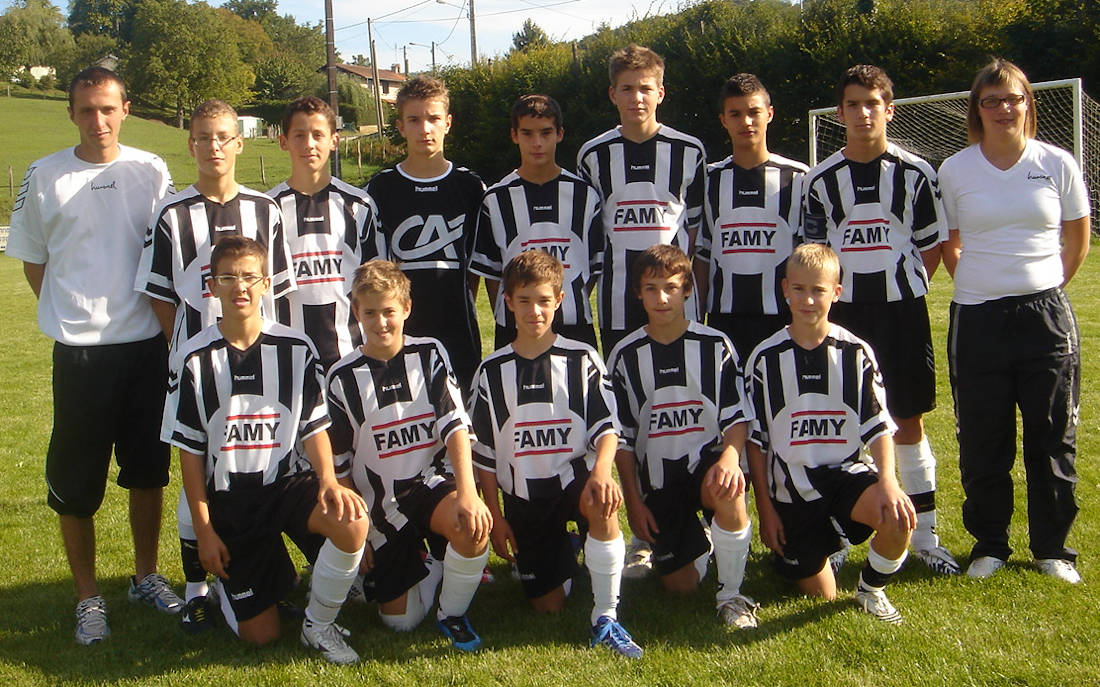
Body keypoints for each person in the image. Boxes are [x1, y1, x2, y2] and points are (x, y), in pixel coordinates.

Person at [6, 66, 181, 645]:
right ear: (71, 113)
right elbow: (34, 261)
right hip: (81, 356)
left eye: (108, 108)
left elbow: (165, 253)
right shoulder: (44, 174)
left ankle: (145, 576)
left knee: (148, 472)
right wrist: (73, 314)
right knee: (78, 484)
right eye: (86, 109)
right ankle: (87, 598)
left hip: (146, 348)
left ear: (125, 109)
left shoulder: (150, 170)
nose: (98, 120)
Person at [135, 98, 295, 632]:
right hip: (198, 365)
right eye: (203, 137)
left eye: (223, 136)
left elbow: (278, 290)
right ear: (191, 144)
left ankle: (260, 575)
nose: (214, 147)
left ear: (239, 143)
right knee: (197, 469)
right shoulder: (172, 213)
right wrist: (186, 348)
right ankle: (196, 589)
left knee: (254, 463)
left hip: (257, 360)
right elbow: (160, 294)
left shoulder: (266, 210)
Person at [171, 236, 368, 662]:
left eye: (249, 277)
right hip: (232, 501)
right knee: (261, 637)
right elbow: (190, 451)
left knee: (351, 520)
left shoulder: (296, 348)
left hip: (285, 485)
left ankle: (319, 624)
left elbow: (314, 425)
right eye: (228, 278)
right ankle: (240, 587)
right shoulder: (193, 358)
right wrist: (204, 531)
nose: (239, 286)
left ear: (266, 283)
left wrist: (328, 482)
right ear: (212, 286)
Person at [803, 65, 959, 575]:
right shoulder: (820, 180)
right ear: (839, 113)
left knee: (907, 419)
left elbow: (930, 248)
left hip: (901, 312)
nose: (863, 113)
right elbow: (816, 256)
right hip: (844, 316)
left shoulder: (916, 173)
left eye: (872, 103)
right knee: (846, 421)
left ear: (889, 110)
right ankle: (844, 535)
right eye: (853, 104)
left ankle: (926, 537)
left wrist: (901, 288)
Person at [939, 59, 1090, 583]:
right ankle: (990, 545)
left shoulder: (1057, 163)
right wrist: (984, 284)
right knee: (983, 439)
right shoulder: (954, 170)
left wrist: (1042, 284)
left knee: (1051, 437)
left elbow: (1077, 237)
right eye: (992, 100)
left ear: (1028, 103)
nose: (1004, 109)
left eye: (1013, 98)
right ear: (977, 110)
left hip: (1044, 316)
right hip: (977, 317)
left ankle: (1053, 549)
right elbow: (950, 242)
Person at [470, 250, 642, 658]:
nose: (535, 311)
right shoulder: (492, 372)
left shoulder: (581, 359)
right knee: (547, 606)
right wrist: (495, 515)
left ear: (559, 301)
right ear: (507, 302)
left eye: (544, 301)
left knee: (600, 499)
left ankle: (606, 615)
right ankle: (566, 547)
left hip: (574, 483)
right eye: (524, 300)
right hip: (525, 497)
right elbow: (485, 455)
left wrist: (602, 474)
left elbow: (608, 429)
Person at [577, 44, 707, 578]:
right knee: (633, 414)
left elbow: (698, 233)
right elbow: (589, 233)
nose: (636, 97)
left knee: (681, 406)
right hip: (618, 306)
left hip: (677, 307)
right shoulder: (593, 155)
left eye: (645, 88)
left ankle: (697, 516)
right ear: (612, 94)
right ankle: (642, 529)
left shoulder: (689, 151)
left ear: (661, 92)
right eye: (626, 88)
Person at [745, 243, 916, 623]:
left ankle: (871, 590)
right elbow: (756, 444)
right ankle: (822, 545)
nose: (808, 300)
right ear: (785, 289)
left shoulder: (856, 353)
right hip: (791, 493)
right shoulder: (765, 359)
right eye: (799, 289)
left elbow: (879, 427)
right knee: (822, 595)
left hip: (845, 476)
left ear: (836, 292)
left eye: (818, 290)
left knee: (898, 517)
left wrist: (888, 482)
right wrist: (765, 509)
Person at [326, 260, 492, 651]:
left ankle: (452, 614)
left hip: (431, 484)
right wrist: (360, 530)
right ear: (356, 312)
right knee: (399, 623)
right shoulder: (341, 377)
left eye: (389, 311)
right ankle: (432, 566)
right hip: (380, 505)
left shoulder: (429, 353)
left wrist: (468, 494)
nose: (381, 322)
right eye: (370, 312)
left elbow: (455, 426)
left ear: (406, 308)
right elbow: (340, 464)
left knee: (471, 525)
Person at [608, 245, 759, 629]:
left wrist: (730, 459)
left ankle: (731, 596)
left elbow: (737, 416)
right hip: (660, 482)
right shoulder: (625, 355)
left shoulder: (715, 345)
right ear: (638, 293)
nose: (662, 298)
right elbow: (622, 440)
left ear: (687, 289)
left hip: (708, 467)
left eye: (671, 288)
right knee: (681, 587)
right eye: (651, 288)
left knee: (728, 487)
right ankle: (704, 544)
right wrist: (634, 502)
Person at [365, 76, 484, 393]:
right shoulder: (381, 188)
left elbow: (476, 269)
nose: (425, 129)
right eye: (414, 120)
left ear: (448, 123)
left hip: (459, 334)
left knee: (461, 417)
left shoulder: (471, 187)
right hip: (398, 333)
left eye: (433, 118)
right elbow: (374, 269)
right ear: (401, 127)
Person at [471, 94, 602, 351]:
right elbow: (492, 273)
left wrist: (569, 302)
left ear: (559, 134)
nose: (537, 143)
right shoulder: (496, 199)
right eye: (527, 133)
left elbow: (593, 266)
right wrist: (512, 312)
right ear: (514, 135)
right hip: (515, 329)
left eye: (545, 133)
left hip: (574, 326)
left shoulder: (585, 196)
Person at [696, 73, 807, 362]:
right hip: (724, 318)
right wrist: (696, 315)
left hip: (784, 317)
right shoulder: (708, 180)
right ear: (723, 120)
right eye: (735, 114)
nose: (746, 121)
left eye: (754, 112)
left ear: (769, 114)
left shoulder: (798, 178)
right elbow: (703, 255)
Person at [269, 95, 385, 370]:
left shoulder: (359, 206)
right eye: (299, 135)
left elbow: (378, 284)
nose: (309, 144)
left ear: (334, 141)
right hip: (288, 359)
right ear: (283, 141)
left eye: (318, 135)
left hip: (352, 355)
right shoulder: (268, 209)